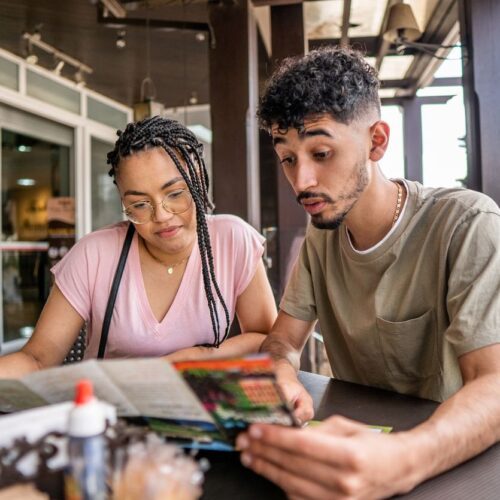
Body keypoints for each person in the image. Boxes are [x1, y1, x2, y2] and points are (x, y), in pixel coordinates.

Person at [236, 47, 500, 499]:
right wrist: (280, 372)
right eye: (288, 158)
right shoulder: (323, 232)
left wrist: (405, 459)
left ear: (376, 141)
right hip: (354, 450)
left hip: (455, 463)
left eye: (321, 152)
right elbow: (283, 339)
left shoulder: (467, 223)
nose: (302, 182)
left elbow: (493, 384)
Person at [0, 116, 276, 377]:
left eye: (176, 194)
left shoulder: (232, 240)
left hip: (201, 408)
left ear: (200, 183)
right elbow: (37, 359)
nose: (161, 215)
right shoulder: (94, 255)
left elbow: (267, 339)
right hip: (111, 414)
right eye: (139, 204)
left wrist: (190, 359)